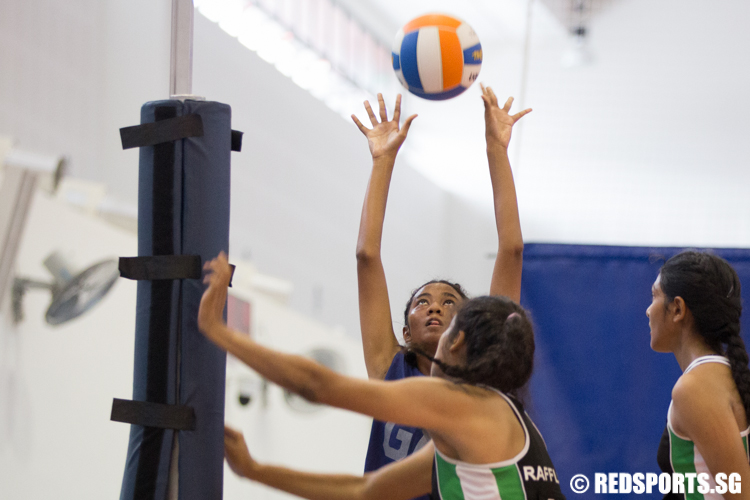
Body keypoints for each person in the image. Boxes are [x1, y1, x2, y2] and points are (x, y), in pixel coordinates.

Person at [198, 253, 565, 500]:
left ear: (458, 342)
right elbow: (366, 490)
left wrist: (219, 331)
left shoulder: (463, 404)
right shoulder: (479, 428)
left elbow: (317, 385)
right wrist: (253, 470)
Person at [351, 85, 529, 489]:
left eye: (450, 302)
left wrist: (496, 150)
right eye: (422, 302)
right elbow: (366, 257)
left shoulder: (485, 379)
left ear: (467, 328)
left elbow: (512, 250)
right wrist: (383, 161)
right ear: (405, 330)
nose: (434, 307)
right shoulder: (388, 368)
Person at [648, 251, 750, 499]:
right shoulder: (719, 376)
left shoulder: (696, 386)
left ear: (678, 309)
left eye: (654, 297)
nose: (648, 311)